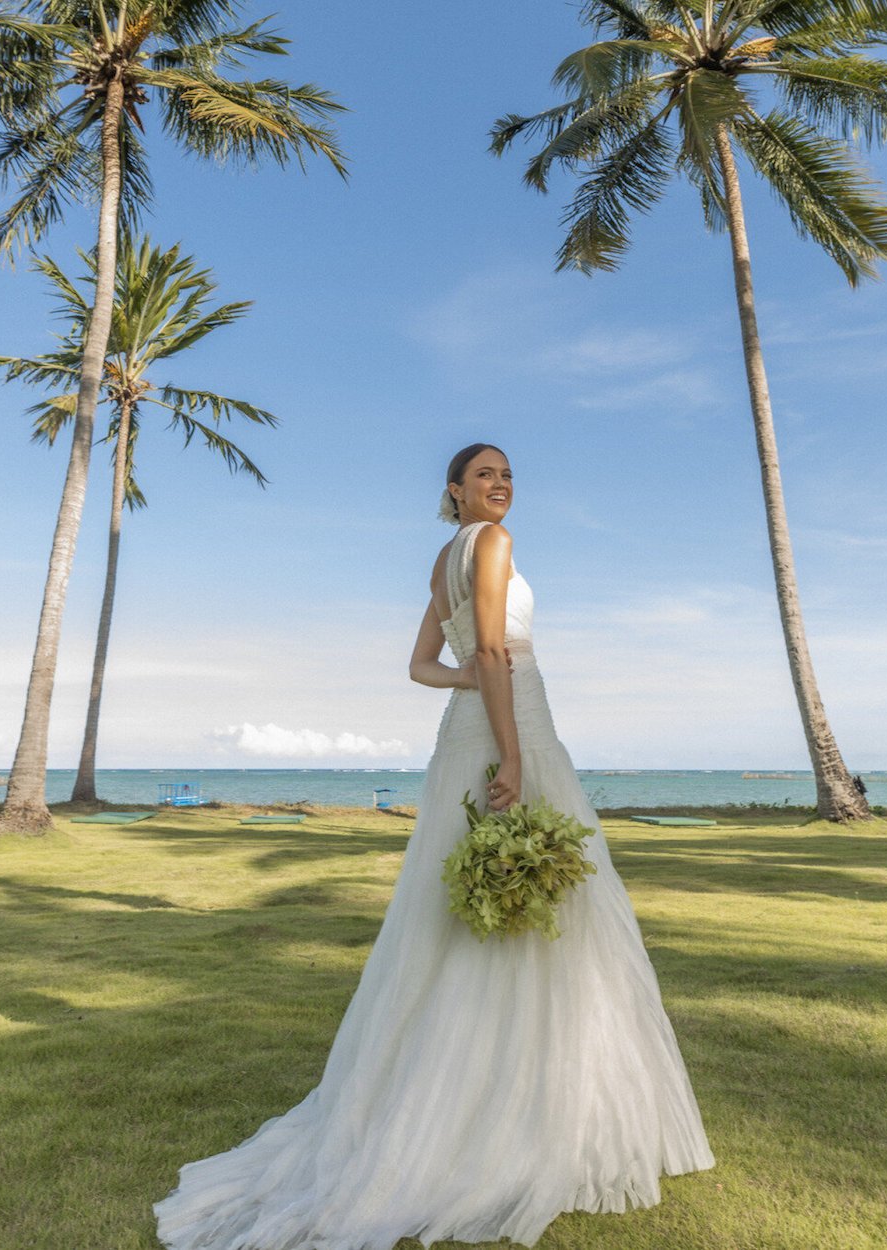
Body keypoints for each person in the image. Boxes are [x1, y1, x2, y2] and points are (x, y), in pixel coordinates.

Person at [154, 443, 715, 1250]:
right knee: (547, 906)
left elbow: (424, 666)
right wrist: (512, 743)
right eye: (485, 475)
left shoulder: (439, 560)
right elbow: (488, 648)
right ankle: (520, 1115)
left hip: (468, 723)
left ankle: (468, 1094)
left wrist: (477, 692)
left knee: (467, 908)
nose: (502, 485)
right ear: (454, 491)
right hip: (507, 721)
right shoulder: (491, 543)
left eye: (509, 474)